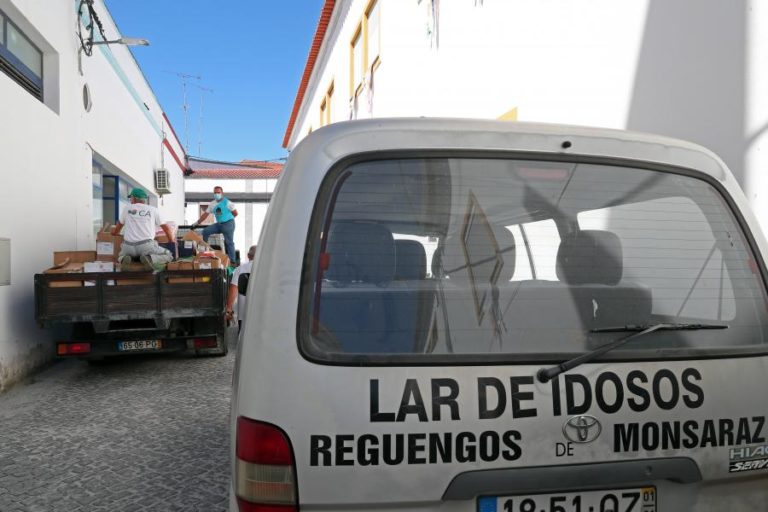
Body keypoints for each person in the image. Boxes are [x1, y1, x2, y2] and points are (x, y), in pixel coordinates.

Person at [112, 188, 176, 269]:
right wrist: (171, 240)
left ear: (134, 198)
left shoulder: (127, 208)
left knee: (120, 256)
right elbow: (166, 228)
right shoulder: (153, 210)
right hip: (146, 246)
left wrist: (114, 233)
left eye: (130, 198)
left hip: (128, 246)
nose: (130, 200)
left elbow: (119, 226)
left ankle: (124, 258)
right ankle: (149, 258)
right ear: (144, 199)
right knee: (169, 255)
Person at [193, 186, 238, 265]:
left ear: (222, 193)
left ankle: (232, 261)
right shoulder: (212, 204)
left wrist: (227, 219)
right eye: (215, 193)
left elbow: (235, 213)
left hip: (228, 224)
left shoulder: (228, 203)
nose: (217, 194)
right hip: (219, 224)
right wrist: (197, 223)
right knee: (206, 231)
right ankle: (204, 251)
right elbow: (205, 215)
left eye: (218, 192)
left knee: (229, 242)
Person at [227, 244, 257, 332]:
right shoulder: (269, 268)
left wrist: (229, 308)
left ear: (248, 256)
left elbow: (234, 289)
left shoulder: (240, 269)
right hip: (264, 314)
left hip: (244, 315)